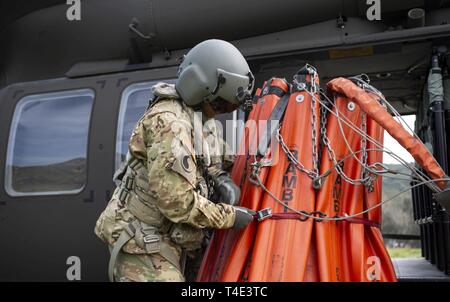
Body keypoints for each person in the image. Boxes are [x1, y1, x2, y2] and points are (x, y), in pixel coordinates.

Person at [94, 39, 256, 282]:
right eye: (221, 103)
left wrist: (222, 178)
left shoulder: (201, 119)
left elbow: (216, 158)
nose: (221, 111)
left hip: (175, 238)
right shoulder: (170, 124)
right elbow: (177, 204)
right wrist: (230, 216)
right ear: (201, 88)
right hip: (141, 239)